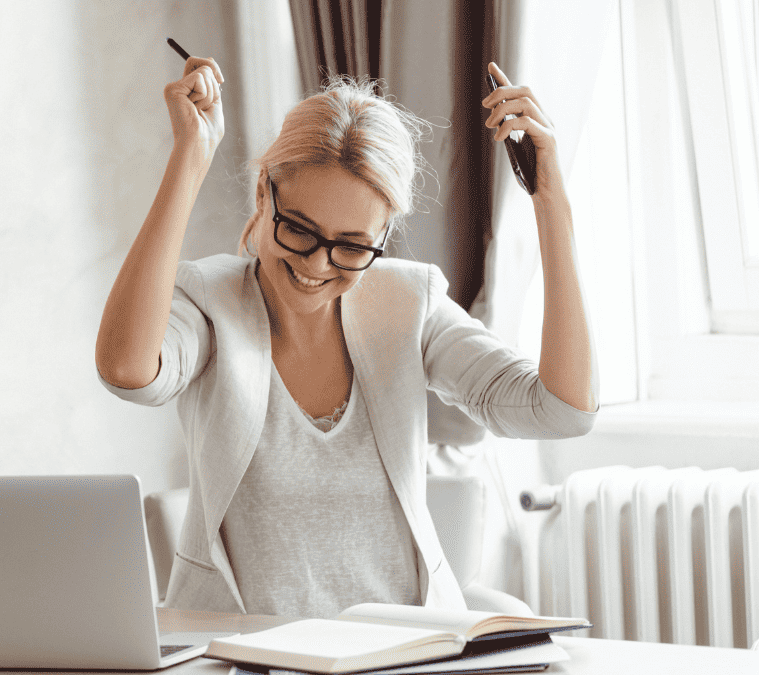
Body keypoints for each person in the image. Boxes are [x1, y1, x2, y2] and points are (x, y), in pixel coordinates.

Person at [94, 54, 597, 618]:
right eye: (299, 229)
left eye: (353, 246)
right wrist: (189, 159)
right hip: (245, 654)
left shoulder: (408, 302)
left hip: (399, 653)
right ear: (265, 195)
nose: (317, 263)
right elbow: (128, 372)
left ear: (384, 235)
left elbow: (562, 410)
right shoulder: (210, 300)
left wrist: (552, 204)